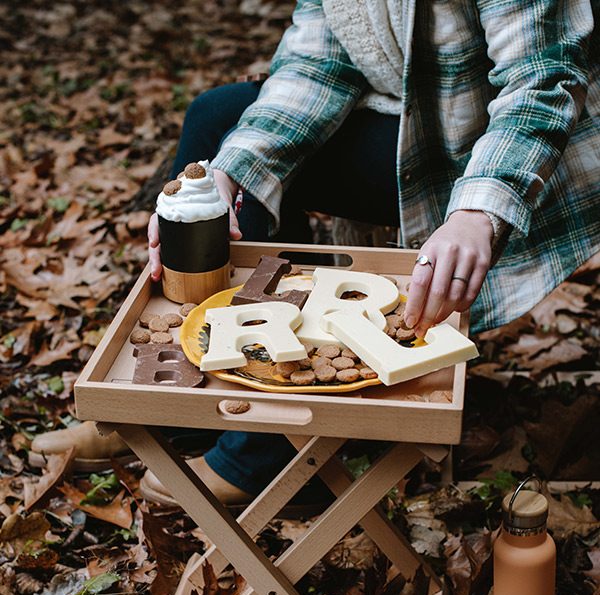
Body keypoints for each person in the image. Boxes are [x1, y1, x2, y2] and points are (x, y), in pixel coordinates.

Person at [33, 0, 599, 506]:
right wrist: (229, 176)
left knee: (227, 125)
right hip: (411, 113)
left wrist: (479, 210)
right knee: (217, 119)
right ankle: (183, 406)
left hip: (522, 147)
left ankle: (263, 455)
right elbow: (316, 64)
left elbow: (542, 78)